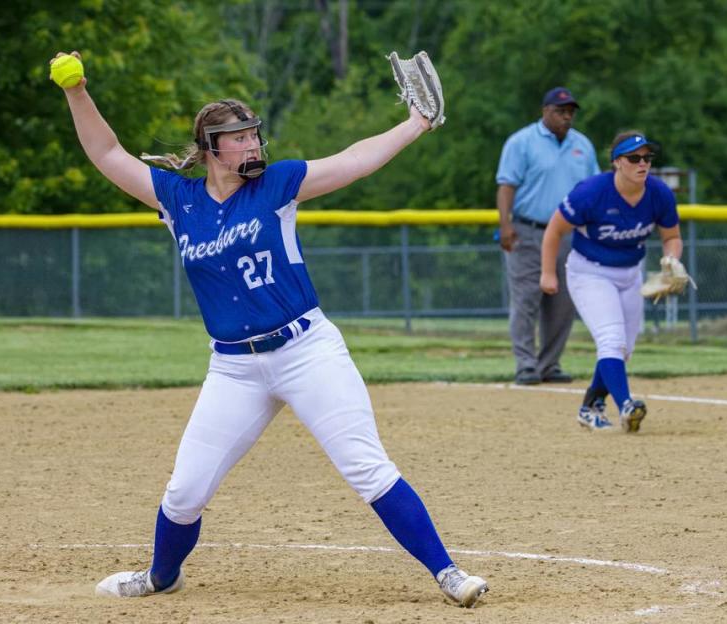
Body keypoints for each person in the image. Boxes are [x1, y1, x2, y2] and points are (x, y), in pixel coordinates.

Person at [50, 51, 488, 608]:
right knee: (185, 492)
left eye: (254, 134)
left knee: (366, 467)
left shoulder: (277, 185)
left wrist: (414, 124)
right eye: (239, 137)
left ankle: (448, 572)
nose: (253, 144)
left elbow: (353, 160)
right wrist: (77, 91)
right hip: (234, 366)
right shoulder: (179, 201)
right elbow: (107, 152)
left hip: (307, 350)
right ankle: (162, 576)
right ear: (211, 148)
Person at [540, 131, 684, 432]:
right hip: (589, 272)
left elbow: (671, 237)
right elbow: (554, 231)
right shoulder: (591, 192)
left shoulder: (659, 193)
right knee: (611, 339)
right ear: (617, 162)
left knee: (623, 349)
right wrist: (548, 273)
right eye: (634, 158)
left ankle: (590, 407)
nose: (642, 163)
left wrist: (672, 261)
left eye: (647, 157)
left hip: (630, 274)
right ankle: (627, 406)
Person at [495, 87, 600, 385]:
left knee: (563, 303)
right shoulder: (522, 142)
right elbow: (506, 186)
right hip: (529, 231)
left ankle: (549, 364)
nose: (566, 117)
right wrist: (505, 225)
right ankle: (526, 364)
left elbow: (592, 190)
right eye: (560, 111)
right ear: (545, 111)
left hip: (569, 235)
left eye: (570, 112)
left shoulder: (582, 145)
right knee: (526, 299)